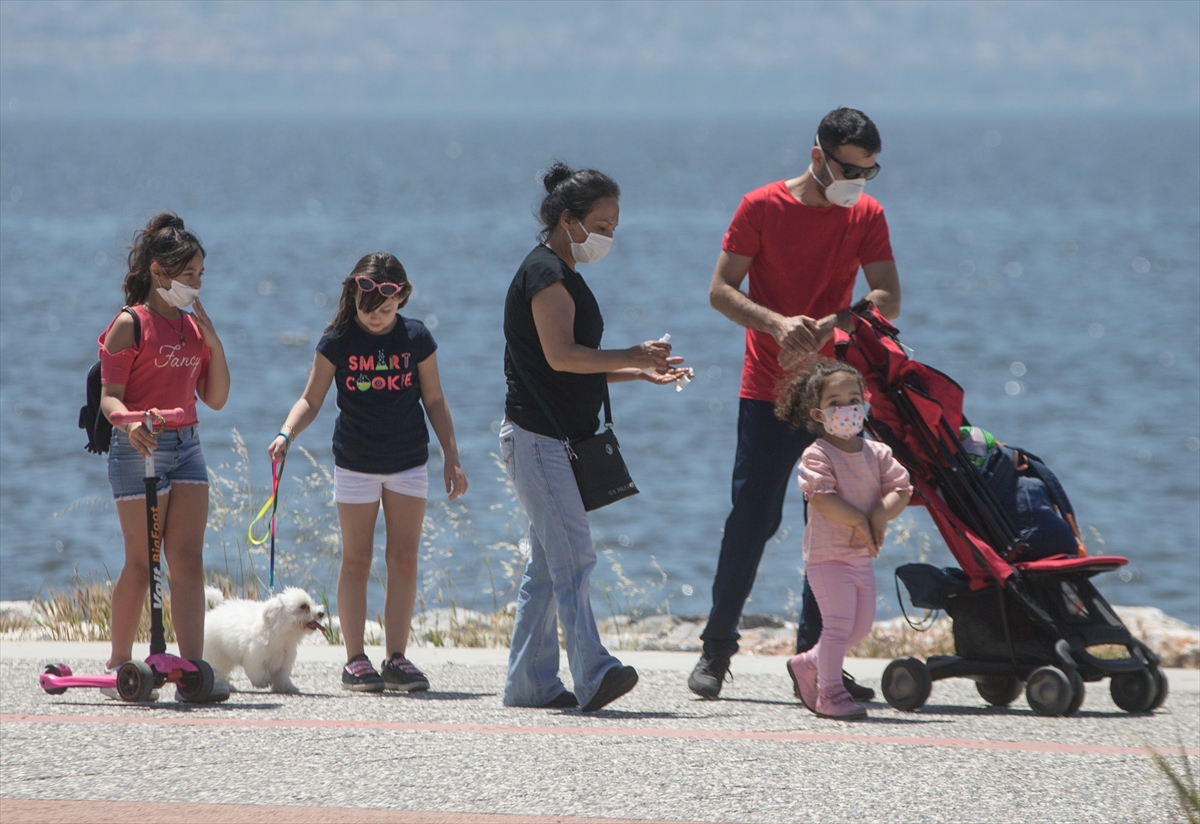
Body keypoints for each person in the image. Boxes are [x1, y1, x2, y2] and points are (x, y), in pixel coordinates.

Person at [690, 107, 902, 700]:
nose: (857, 183)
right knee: (752, 520)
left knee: (832, 522)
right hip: (769, 390)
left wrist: (830, 324)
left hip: (837, 394)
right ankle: (715, 650)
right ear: (817, 157)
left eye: (869, 171)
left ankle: (819, 660)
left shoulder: (866, 213)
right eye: (848, 169)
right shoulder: (760, 207)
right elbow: (720, 291)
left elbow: (887, 298)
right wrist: (777, 324)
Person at [500, 162, 692, 712]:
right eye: (601, 224)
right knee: (575, 559)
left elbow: (566, 365)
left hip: (549, 440)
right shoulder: (546, 275)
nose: (608, 235)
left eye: (614, 225)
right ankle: (595, 671)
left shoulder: (564, 274)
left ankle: (529, 684)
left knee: (547, 567)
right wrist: (632, 354)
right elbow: (562, 356)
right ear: (568, 219)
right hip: (539, 441)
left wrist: (640, 372)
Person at [268, 252, 467, 692]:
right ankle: (354, 659)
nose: (377, 319)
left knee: (403, 559)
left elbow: (434, 399)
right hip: (356, 462)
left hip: (409, 462)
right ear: (353, 299)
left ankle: (396, 657)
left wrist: (451, 455)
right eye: (368, 310)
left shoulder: (417, 337)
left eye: (386, 311)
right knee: (356, 559)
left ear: (402, 301)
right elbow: (312, 399)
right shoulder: (337, 340)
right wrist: (286, 433)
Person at [99, 212, 231, 702]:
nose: (196, 285)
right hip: (139, 447)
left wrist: (213, 339)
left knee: (187, 560)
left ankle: (192, 671)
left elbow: (215, 398)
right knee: (141, 561)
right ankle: (118, 665)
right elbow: (109, 397)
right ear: (159, 272)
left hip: (187, 446)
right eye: (188, 275)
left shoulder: (193, 329)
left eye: (201, 275)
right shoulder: (130, 325)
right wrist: (129, 422)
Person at [777, 358, 911, 718]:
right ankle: (829, 693)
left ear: (864, 404)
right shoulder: (818, 454)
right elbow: (821, 498)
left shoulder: (877, 453)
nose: (846, 409)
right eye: (835, 403)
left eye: (853, 399)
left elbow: (902, 487)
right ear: (819, 414)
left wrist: (880, 514)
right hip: (827, 556)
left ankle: (808, 663)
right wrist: (858, 521)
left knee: (861, 626)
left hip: (860, 556)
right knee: (837, 625)